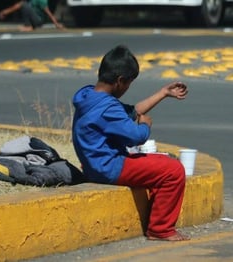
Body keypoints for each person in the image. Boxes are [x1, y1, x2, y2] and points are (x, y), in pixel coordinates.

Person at [72, 45, 190, 241]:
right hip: (109, 167)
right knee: (173, 170)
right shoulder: (107, 107)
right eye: (128, 84)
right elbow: (135, 136)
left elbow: (131, 112)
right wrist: (145, 126)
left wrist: (162, 93)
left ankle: (156, 215)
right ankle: (160, 229)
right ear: (120, 81)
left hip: (94, 164)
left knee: (160, 162)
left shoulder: (89, 96)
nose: (127, 89)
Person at [0, 0, 65, 32]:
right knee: (24, 6)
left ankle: (28, 26)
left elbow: (49, 13)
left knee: (23, 4)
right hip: (34, 19)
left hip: (39, 20)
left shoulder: (42, 1)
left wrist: (57, 24)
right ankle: (29, 25)